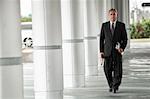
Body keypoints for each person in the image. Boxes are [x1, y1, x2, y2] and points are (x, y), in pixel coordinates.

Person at [99, 8, 128, 93]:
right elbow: (101, 39)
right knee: (107, 70)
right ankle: (111, 84)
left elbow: (125, 39)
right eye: (111, 14)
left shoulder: (121, 25)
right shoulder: (104, 25)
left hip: (117, 51)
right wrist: (101, 51)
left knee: (118, 70)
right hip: (107, 52)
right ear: (109, 15)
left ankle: (115, 86)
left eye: (114, 14)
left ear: (117, 15)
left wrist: (122, 48)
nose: (113, 16)